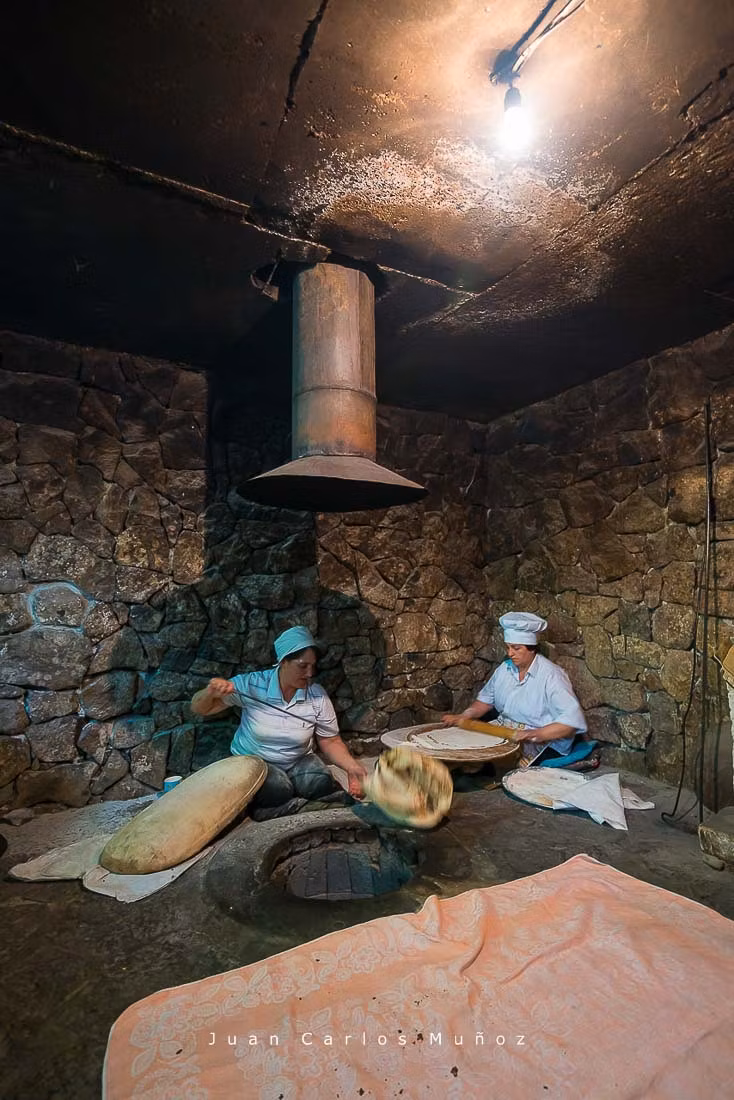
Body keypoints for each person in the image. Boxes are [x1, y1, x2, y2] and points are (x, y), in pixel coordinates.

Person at [191, 626, 367, 819]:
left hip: (297, 760)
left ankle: (292, 806)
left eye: (312, 666)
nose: (309, 673)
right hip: (255, 762)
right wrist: (210, 693)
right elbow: (200, 708)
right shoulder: (252, 685)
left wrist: (352, 766)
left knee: (320, 781)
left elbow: (330, 740)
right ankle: (291, 805)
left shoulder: (317, 695)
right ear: (283, 661)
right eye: (302, 666)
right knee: (278, 789)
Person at [442, 611, 587, 764]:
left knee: (512, 773)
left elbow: (570, 723)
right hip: (506, 730)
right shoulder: (504, 669)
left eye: (516, 648)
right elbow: (485, 701)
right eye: (508, 647)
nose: (510, 653)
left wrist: (535, 733)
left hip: (542, 741)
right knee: (465, 751)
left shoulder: (552, 676)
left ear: (531, 649)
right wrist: (464, 716)